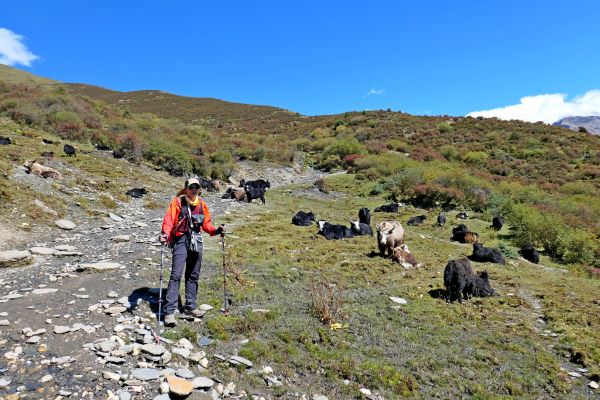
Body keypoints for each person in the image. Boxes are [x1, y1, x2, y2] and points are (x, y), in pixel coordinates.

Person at [159, 177, 225, 327]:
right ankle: (169, 312)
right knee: (176, 274)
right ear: (186, 188)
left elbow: (206, 223)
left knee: (193, 274)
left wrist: (216, 230)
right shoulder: (177, 202)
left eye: (196, 187)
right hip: (181, 240)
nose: (194, 190)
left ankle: (190, 307)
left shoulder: (202, 204)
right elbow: (169, 221)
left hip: (196, 240)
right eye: (191, 187)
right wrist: (165, 234)